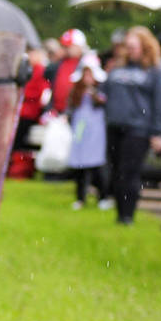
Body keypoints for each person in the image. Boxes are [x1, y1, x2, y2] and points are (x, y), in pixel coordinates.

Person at [102, 27, 161, 225]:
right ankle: (119, 213)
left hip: (138, 129)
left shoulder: (156, 70)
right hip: (115, 125)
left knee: (129, 172)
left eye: (133, 46)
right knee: (116, 171)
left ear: (145, 46)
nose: (130, 50)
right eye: (128, 46)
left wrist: (159, 132)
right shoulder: (118, 68)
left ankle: (128, 215)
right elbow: (105, 92)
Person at [67, 57, 110, 210]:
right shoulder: (76, 92)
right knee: (80, 164)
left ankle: (102, 196)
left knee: (97, 164)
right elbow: (70, 108)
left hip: (96, 130)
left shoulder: (101, 91)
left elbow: (105, 104)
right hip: (80, 129)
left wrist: (95, 97)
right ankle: (80, 197)